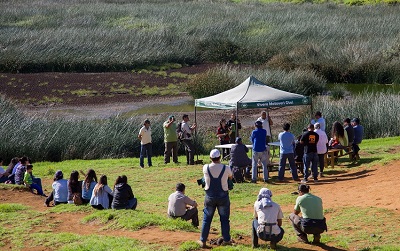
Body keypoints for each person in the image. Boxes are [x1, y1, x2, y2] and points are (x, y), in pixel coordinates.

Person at [198, 149, 233, 248]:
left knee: (206, 219)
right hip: (223, 197)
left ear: (210, 158)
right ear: (220, 157)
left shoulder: (206, 167)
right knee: (224, 219)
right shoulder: (226, 168)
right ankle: (226, 240)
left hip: (210, 197)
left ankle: (203, 241)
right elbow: (231, 176)